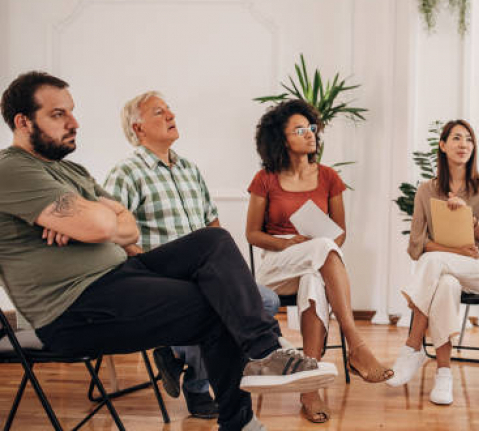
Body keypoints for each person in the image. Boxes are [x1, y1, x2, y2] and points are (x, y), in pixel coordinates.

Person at [0, 72, 337, 431]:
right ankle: (242, 419)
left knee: (215, 241)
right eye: (58, 114)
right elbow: (103, 226)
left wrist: (92, 217)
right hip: (73, 307)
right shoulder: (11, 170)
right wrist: (98, 217)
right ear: (23, 121)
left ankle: (265, 354)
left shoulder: (70, 170)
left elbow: (126, 224)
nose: (74, 122)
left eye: (72, 111)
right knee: (218, 302)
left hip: (120, 276)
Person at [104, 91, 281, 419]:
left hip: (204, 271)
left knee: (267, 301)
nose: (171, 115)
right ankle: (198, 385)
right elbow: (111, 230)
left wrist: (232, 273)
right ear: (138, 128)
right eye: (160, 112)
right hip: (161, 277)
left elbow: (212, 224)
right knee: (213, 308)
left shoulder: (188, 168)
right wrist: (142, 267)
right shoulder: (126, 172)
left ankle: (178, 356)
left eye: (170, 109)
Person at [245, 99, 393, 424]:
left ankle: (309, 390)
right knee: (320, 251)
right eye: (300, 129)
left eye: (311, 127)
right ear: (282, 139)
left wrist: (317, 247)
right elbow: (252, 234)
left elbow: (338, 235)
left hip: (315, 261)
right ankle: (355, 343)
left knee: (315, 276)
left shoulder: (328, 177)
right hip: (277, 263)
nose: (310, 134)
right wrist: (291, 242)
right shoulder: (266, 178)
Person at [386, 119, 479, 406]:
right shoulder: (427, 191)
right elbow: (416, 245)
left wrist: (471, 221)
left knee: (435, 264)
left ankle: (413, 346)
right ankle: (444, 374)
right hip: (443, 270)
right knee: (445, 284)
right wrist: (455, 252)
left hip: (478, 269)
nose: (464, 145)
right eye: (457, 138)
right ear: (443, 145)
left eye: (469, 140)